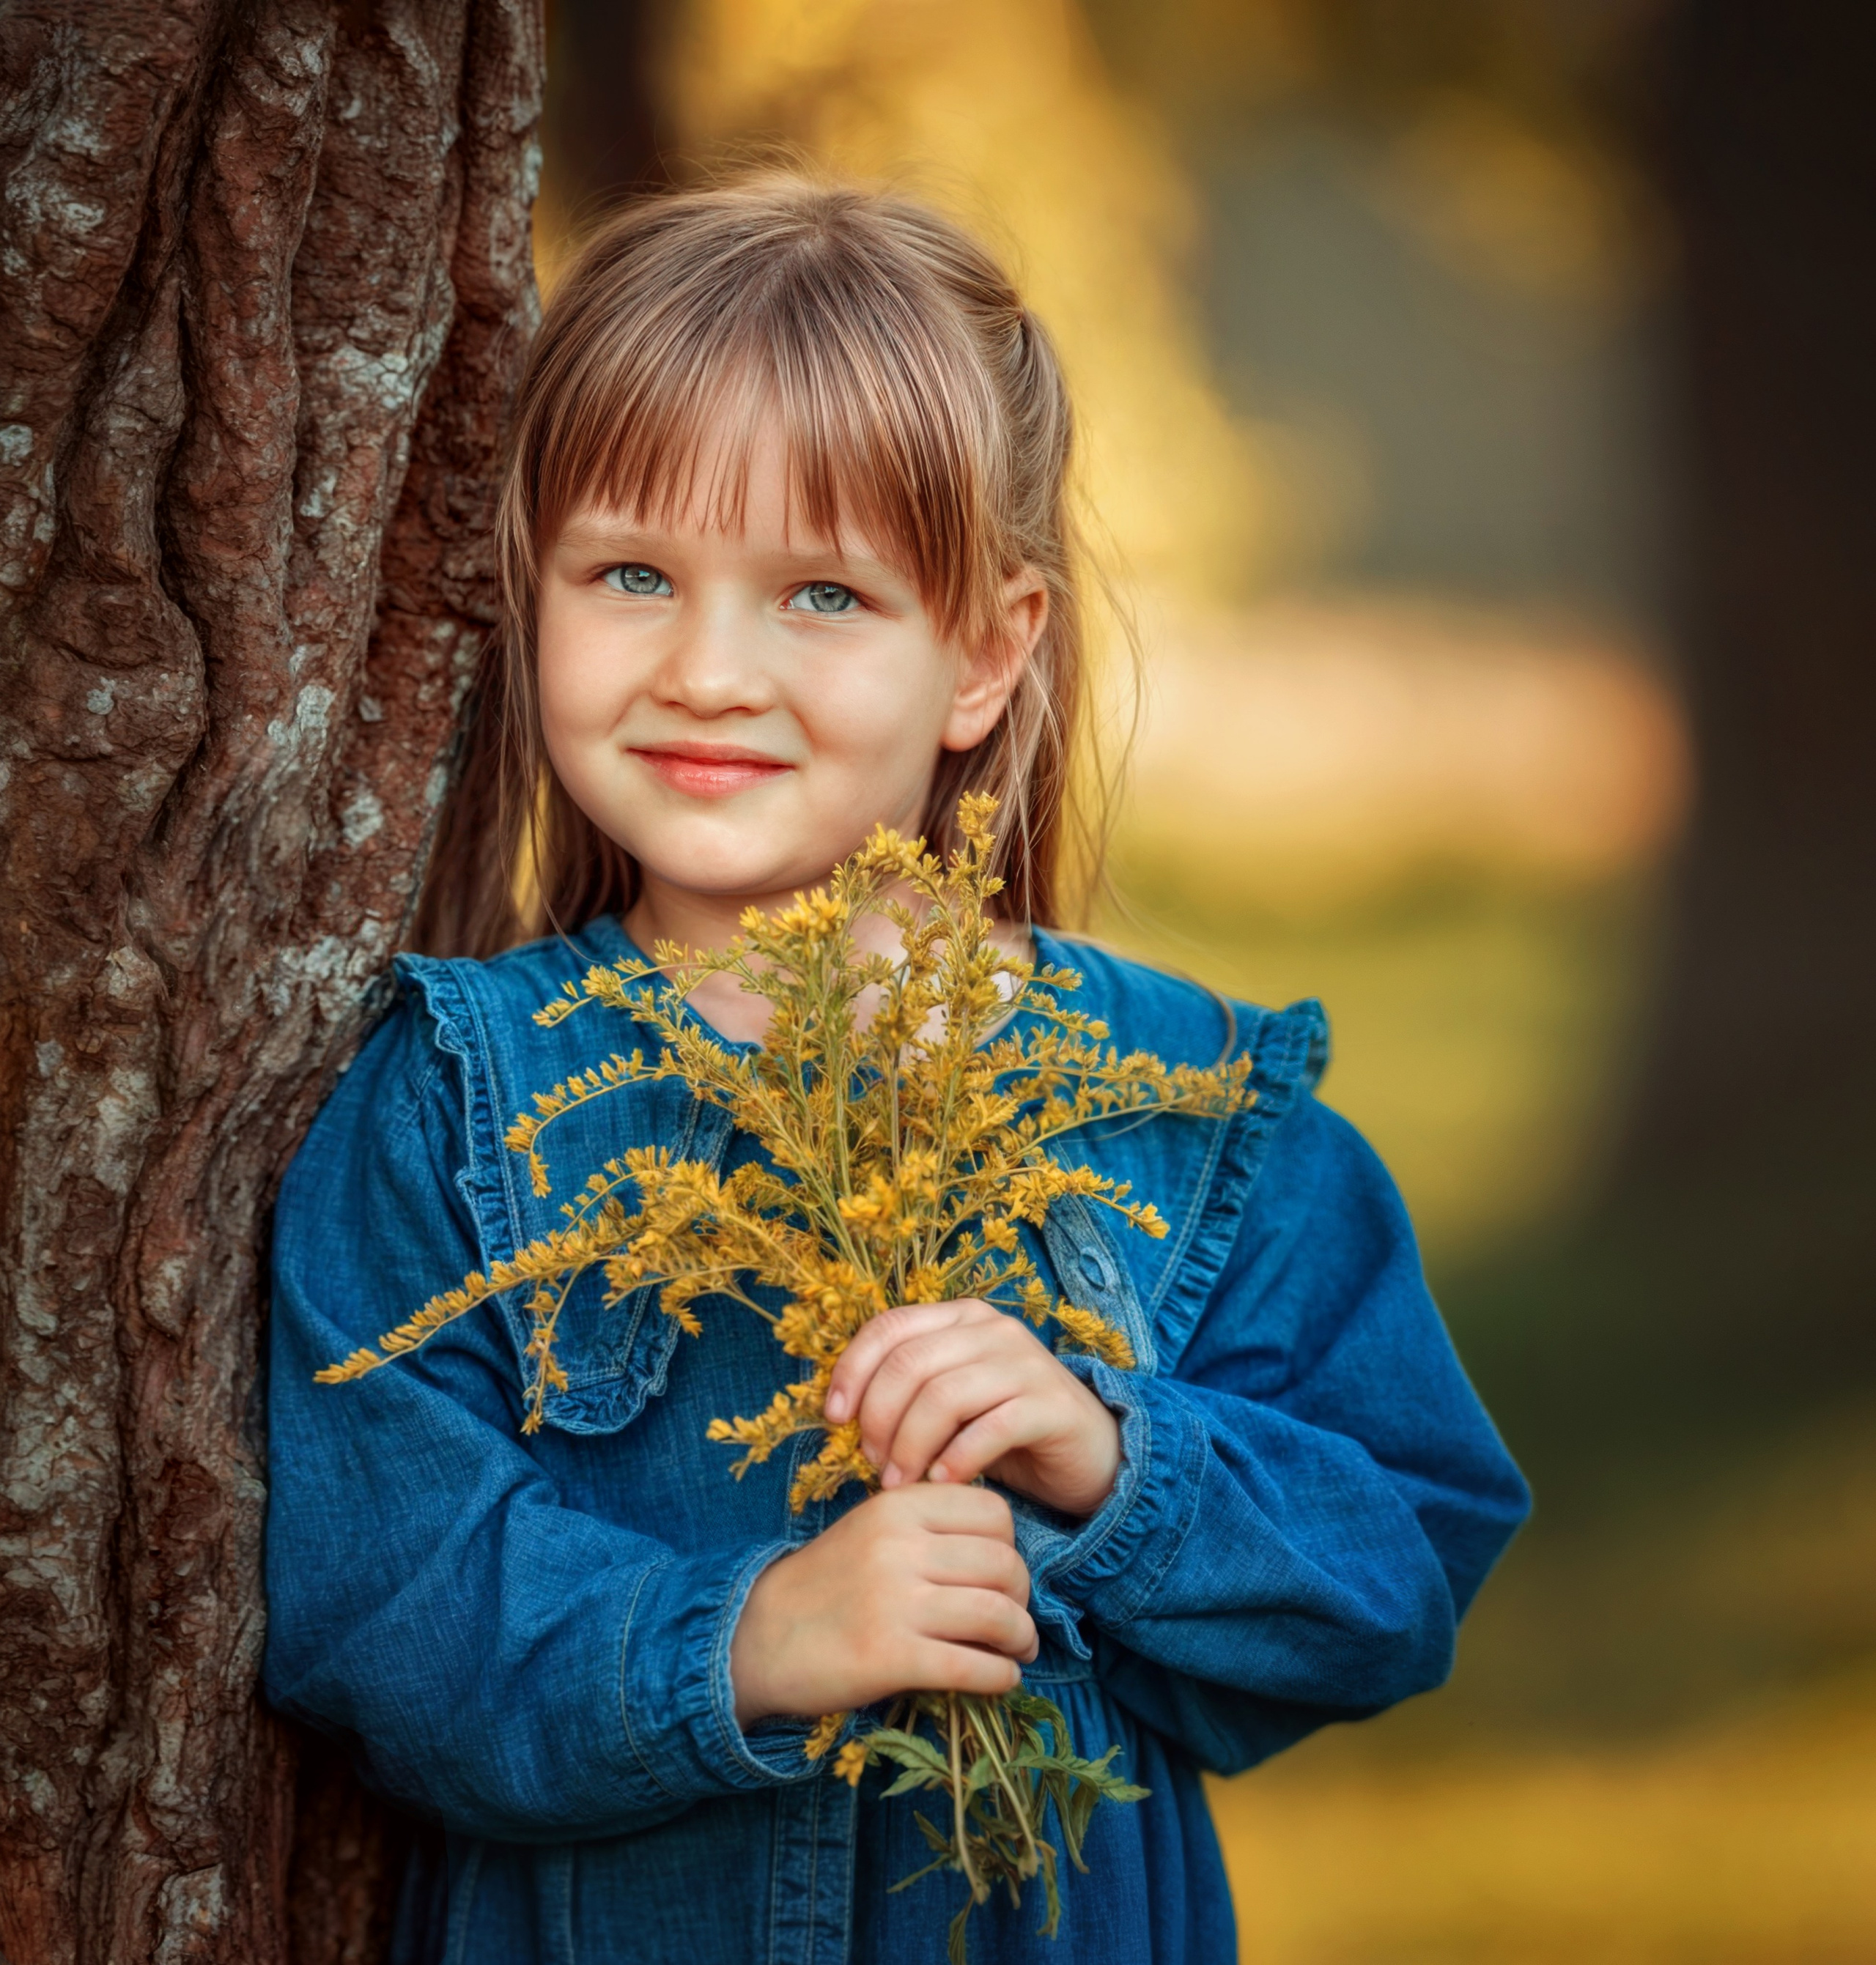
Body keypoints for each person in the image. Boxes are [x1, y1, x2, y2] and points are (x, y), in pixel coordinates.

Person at [263, 176, 1530, 1964]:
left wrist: (1111, 1461)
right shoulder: (456, 1099)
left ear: (986, 654)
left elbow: (1394, 1570)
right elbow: (375, 1605)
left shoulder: (1180, 1109)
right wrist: (753, 1636)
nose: (708, 669)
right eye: (630, 575)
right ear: (526, 593)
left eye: (822, 596)